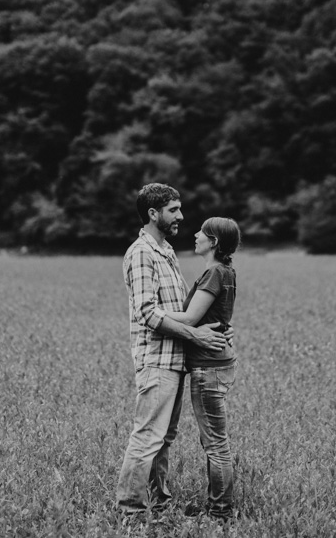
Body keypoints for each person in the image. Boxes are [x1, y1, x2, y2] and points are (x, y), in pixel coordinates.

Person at [116, 183, 230, 516]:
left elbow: (178, 309)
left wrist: (212, 328)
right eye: (173, 210)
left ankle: (159, 505)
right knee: (148, 436)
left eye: (179, 208)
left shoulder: (165, 251)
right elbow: (148, 314)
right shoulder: (141, 253)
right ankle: (131, 512)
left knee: (163, 438)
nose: (181, 216)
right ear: (153, 213)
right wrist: (197, 337)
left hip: (175, 360)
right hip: (156, 360)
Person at [162, 217, 241, 520]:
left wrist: (149, 312)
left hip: (209, 366)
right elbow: (218, 316)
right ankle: (218, 507)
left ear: (214, 242)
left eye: (201, 233)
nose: (195, 235)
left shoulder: (214, 273)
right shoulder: (227, 272)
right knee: (215, 440)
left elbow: (191, 319)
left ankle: (220, 513)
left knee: (215, 443)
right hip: (219, 362)